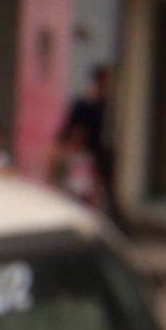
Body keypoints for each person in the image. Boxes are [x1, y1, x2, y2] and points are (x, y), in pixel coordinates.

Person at [56, 64, 118, 221]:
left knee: (94, 194)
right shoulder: (85, 104)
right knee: (77, 190)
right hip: (84, 156)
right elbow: (67, 132)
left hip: (99, 155)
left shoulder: (108, 106)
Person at [49, 118, 101, 208]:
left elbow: (93, 178)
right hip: (67, 195)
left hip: (84, 197)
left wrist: (94, 196)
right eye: (76, 135)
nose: (78, 138)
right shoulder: (63, 154)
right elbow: (53, 172)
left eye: (81, 136)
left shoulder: (87, 156)